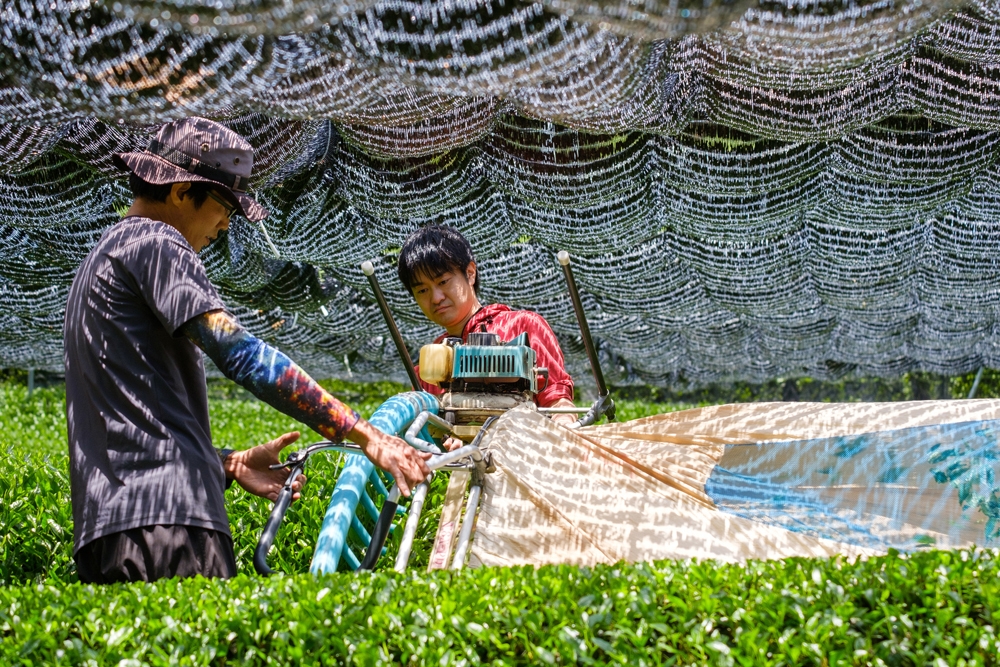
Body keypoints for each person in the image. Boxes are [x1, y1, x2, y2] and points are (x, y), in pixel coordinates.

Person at [63, 117, 431, 584]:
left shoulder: (103, 260)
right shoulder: (158, 244)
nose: (225, 224)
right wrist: (367, 436)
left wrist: (229, 464)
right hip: (168, 528)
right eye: (224, 206)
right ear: (180, 191)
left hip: (110, 528)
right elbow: (240, 352)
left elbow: (128, 419)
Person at [396, 225, 577, 427]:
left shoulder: (523, 327)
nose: (436, 298)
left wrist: (564, 422)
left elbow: (558, 402)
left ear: (470, 273)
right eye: (422, 290)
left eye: (444, 281)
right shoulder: (430, 364)